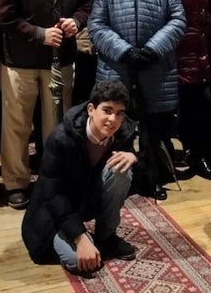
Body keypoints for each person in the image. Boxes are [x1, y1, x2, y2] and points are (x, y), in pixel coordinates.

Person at [0, 0, 91, 209]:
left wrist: (77, 21)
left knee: (56, 124)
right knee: (18, 125)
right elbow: (1, 13)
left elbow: (87, 2)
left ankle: (53, 178)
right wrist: (38, 34)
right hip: (21, 61)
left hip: (60, 61)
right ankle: (16, 183)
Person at [88, 0, 186, 200]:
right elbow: (96, 25)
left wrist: (153, 50)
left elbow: (177, 20)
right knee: (118, 128)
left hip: (156, 67)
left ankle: (151, 178)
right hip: (118, 67)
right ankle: (118, 180)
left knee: (153, 130)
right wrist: (125, 51)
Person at [21, 80, 138, 276]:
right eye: (107, 111)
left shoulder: (122, 132)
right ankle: (80, 237)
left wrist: (134, 157)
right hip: (53, 211)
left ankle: (106, 237)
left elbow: (142, 179)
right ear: (91, 109)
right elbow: (52, 194)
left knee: (122, 169)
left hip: (85, 200)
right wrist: (79, 238)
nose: (113, 119)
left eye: (119, 113)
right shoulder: (61, 138)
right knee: (81, 262)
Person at [149, 0, 211, 181]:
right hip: (172, 48)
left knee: (198, 108)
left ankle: (197, 155)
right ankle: (163, 166)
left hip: (196, 48)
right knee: (166, 110)